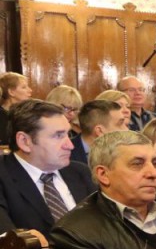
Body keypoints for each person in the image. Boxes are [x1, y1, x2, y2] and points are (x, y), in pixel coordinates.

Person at [0, 100, 94, 238]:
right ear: (24, 141)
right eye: (58, 136)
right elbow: (7, 243)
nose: (70, 145)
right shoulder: (3, 177)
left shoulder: (80, 172)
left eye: (68, 134)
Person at [71, 99, 127, 166]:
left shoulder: (126, 152)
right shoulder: (66, 155)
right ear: (100, 131)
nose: (126, 129)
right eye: (120, 124)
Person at [0, 72, 34, 146]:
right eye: (24, 87)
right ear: (11, 92)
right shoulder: (1, 116)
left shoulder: (29, 113)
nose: (30, 90)